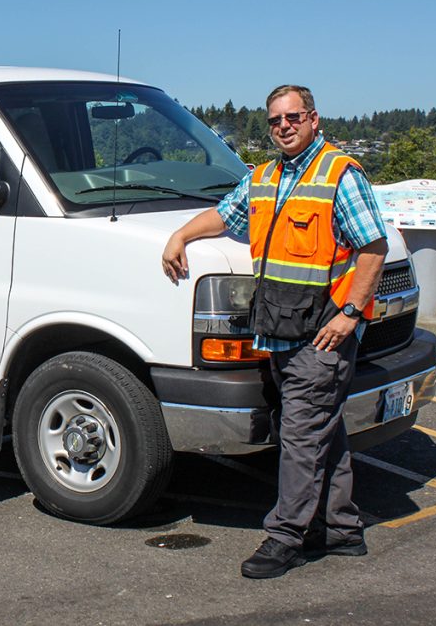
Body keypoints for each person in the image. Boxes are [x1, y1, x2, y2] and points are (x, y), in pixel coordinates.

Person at [162, 85, 388, 579]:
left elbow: (374, 247)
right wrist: (179, 235)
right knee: (321, 431)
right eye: (274, 120)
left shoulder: (338, 175)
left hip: (321, 335)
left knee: (300, 437)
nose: (283, 126)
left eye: (292, 117)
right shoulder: (264, 178)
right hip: (281, 333)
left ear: (313, 118)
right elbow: (224, 216)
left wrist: (350, 312)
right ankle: (341, 529)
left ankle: (286, 537)